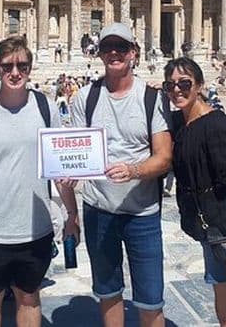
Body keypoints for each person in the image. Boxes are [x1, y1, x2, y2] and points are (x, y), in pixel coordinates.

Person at [0, 36, 79, 327]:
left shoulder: (46, 107)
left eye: (22, 66)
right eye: (7, 66)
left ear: (30, 68)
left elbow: (60, 163)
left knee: (29, 298)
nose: (15, 73)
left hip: (35, 226)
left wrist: (72, 214)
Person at [70, 22, 173, 327]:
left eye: (121, 47)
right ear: (98, 53)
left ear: (134, 53)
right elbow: (73, 154)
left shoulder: (152, 98)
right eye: (106, 47)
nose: (114, 53)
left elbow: (165, 157)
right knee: (108, 291)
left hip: (142, 213)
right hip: (99, 210)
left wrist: (133, 171)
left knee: (151, 298)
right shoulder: (84, 98)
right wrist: (65, 177)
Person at [163, 57, 226, 327]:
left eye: (185, 83)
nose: (177, 90)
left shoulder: (217, 126)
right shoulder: (182, 122)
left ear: (200, 86)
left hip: (225, 230)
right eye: (170, 86)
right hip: (212, 227)